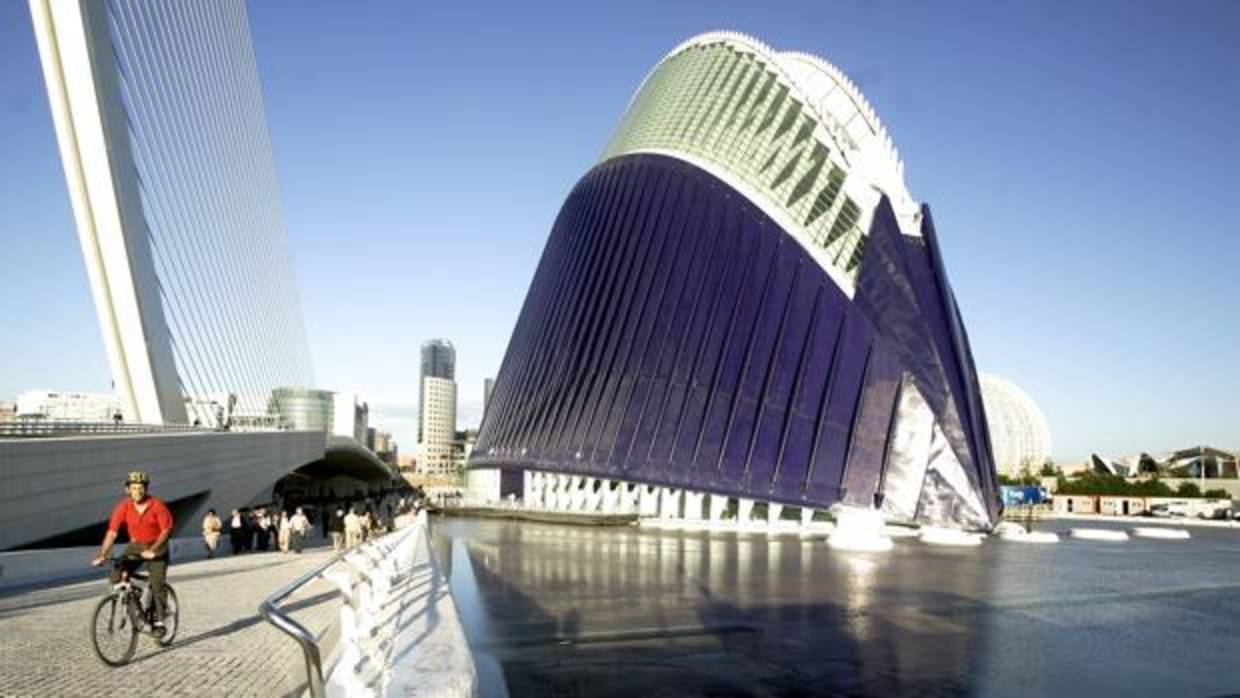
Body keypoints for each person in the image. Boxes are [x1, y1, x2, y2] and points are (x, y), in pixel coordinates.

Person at [91, 470, 174, 636]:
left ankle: (159, 619)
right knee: (116, 574)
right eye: (134, 488)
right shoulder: (123, 506)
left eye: (141, 488)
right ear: (127, 489)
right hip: (136, 545)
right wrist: (102, 554)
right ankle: (134, 592)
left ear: (146, 488)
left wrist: (153, 550)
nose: (138, 491)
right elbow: (112, 533)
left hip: (157, 546)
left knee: (157, 584)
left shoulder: (157, 505)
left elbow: (166, 530)